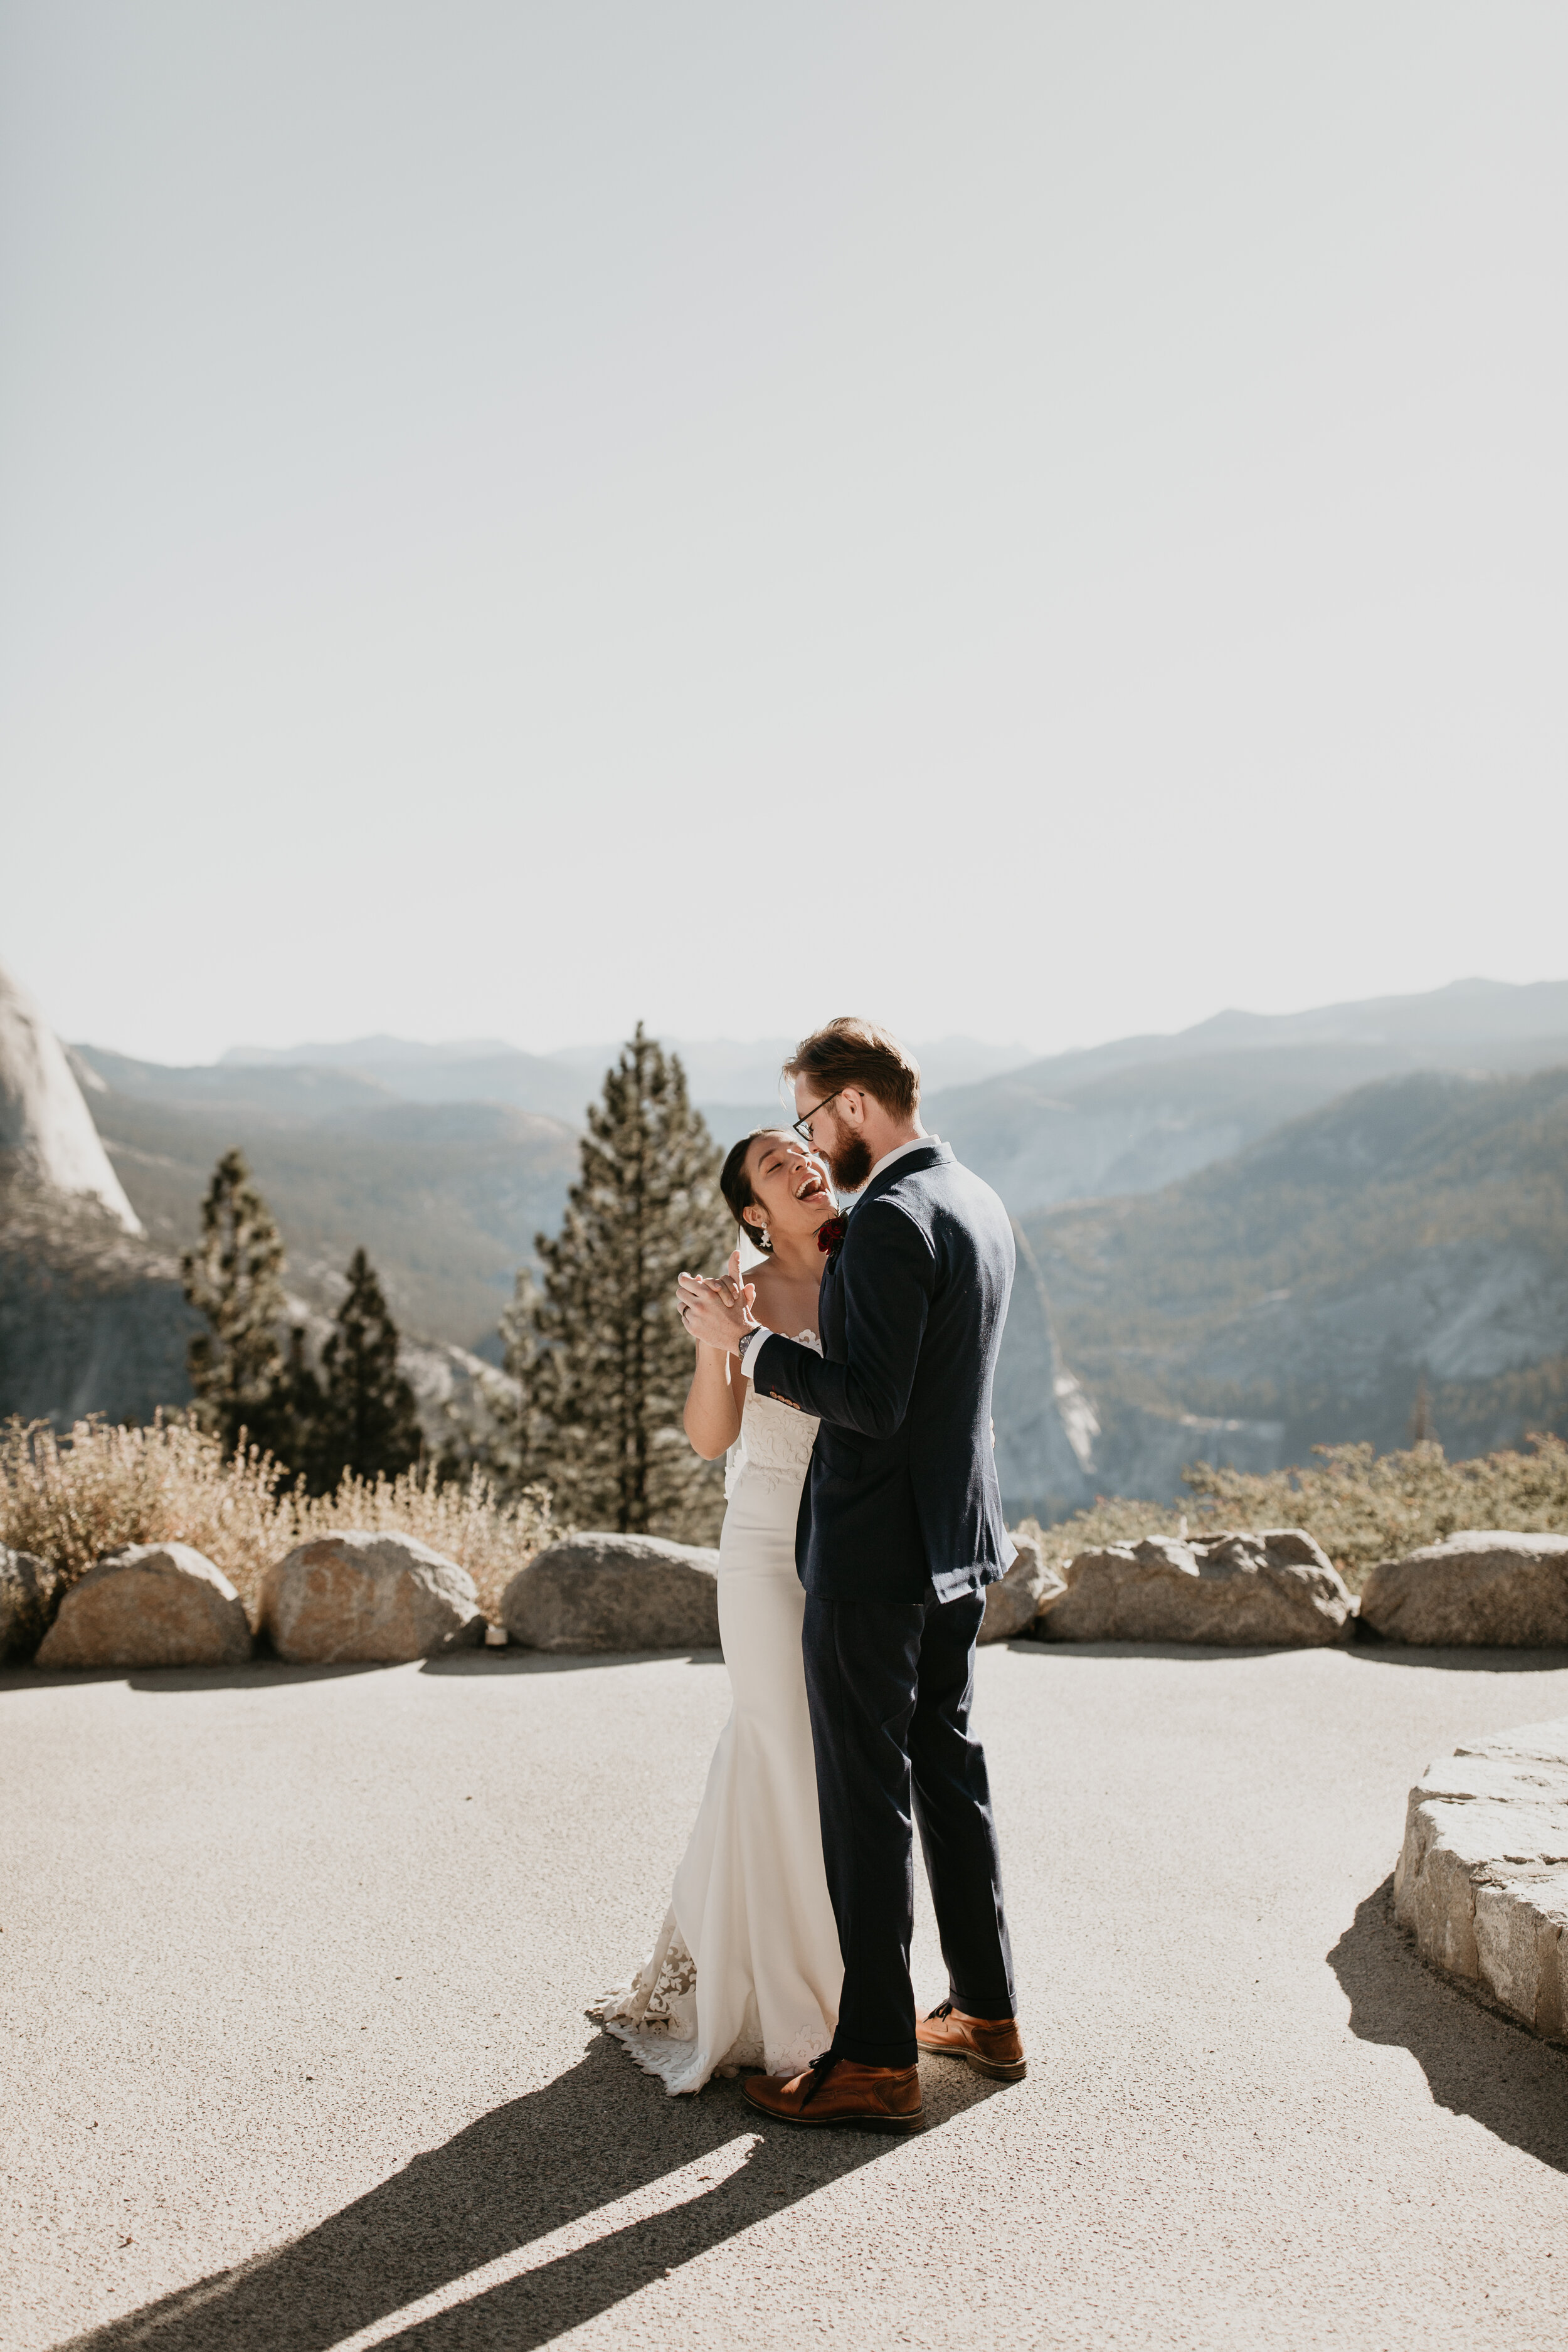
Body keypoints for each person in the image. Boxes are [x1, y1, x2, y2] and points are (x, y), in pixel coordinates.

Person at [678, 1017, 1025, 2136]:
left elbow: (870, 1401)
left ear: (856, 1107)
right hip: (956, 1544)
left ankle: (874, 2059)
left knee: (867, 1802)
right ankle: (987, 2010)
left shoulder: (885, 1221)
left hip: (874, 1557)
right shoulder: (975, 1197)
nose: (813, 1143)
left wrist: (758, 1351)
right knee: (947, 1771)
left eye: (813, 1121)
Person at [591, 1129, 844, 2092]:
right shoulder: (739, 1292)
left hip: (856, 1545)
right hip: (769, 1542)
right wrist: (717, 1347)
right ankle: (796, 2008)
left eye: (803, 1151)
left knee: (830, 1757)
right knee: (779, 1745)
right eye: (778, 1167)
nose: (803, 1164)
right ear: (753, 1211)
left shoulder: (868, 1265)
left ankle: (848, 1972)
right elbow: (710, 1439)